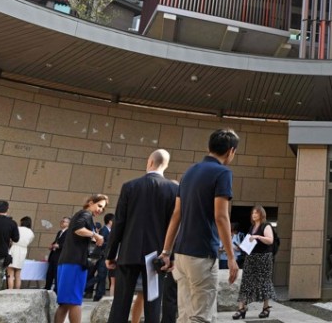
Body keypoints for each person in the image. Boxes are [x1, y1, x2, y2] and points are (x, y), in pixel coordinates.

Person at [161, 128, 240, 323]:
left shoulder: (189, 172)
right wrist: (231, 257)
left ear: (209, 147)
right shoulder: (223, 173)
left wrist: (165, 251)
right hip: (202, 255)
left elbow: (176, 215)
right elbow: (221, 216)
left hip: (180, 255)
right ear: (231, 151)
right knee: (201, 316)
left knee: (185, 314)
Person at [105, 149, 179, 323]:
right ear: (166, 165)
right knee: (153, 302)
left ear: (149, 162)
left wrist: (110, 253)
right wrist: (171, 255)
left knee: (120, 303)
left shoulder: (129, 186)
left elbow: (119, 223)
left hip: (128, 253)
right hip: (156, 257)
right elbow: (174, 226)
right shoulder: (174, 189)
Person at [54, 193, 109, 323]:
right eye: (99, 205)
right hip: (75, 262)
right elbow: (78, 229)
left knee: (65, 303)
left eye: (103, 208)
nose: (100, 210)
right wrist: (96, 235)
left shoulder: (81, 214)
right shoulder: (86, 214)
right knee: (74, 301)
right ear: (90, 202)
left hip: (67, 261)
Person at [233, 205, 276, 319]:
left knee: (264, 282)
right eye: (253, 213)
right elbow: (249, 242)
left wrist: (257, 236)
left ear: (261, 214)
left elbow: (270, 240)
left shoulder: (266, 226)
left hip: (264, 258)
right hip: (251, 258)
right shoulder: (252, 227)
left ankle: (266, 308)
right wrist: (241, 247)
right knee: (246, 282)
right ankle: (241, 308)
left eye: (256, 213)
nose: (254, 215)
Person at [7, 216, 34, 289]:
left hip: (14, 249)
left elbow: (12, 238)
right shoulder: (31, 232)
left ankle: (10, 291)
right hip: (23, 251)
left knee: (10, 273)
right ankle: (17, 291)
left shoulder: (18, 228)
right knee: (18, 274)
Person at [92, 214, 114, 300]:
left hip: (106, 256)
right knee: (101, 276)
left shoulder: (109, 230)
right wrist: (110, 244)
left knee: (102, 276)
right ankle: (84, 286)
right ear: (110, 221)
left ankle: (98, 295)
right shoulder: (104, 230)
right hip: (102, 256)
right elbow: (100, 243)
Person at [46, 216, 71, 291]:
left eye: (64, 221)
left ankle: (56, 289)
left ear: (69, 224)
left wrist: (59, 246)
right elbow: (56, 241)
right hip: (54, 254)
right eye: (62, 221)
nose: (62, 223)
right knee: (50, 272)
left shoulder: (69, 233)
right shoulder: (60, 232)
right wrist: (52, 245)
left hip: (60, 255)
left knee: (57, 273)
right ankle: (47, 287)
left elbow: (67, 244)